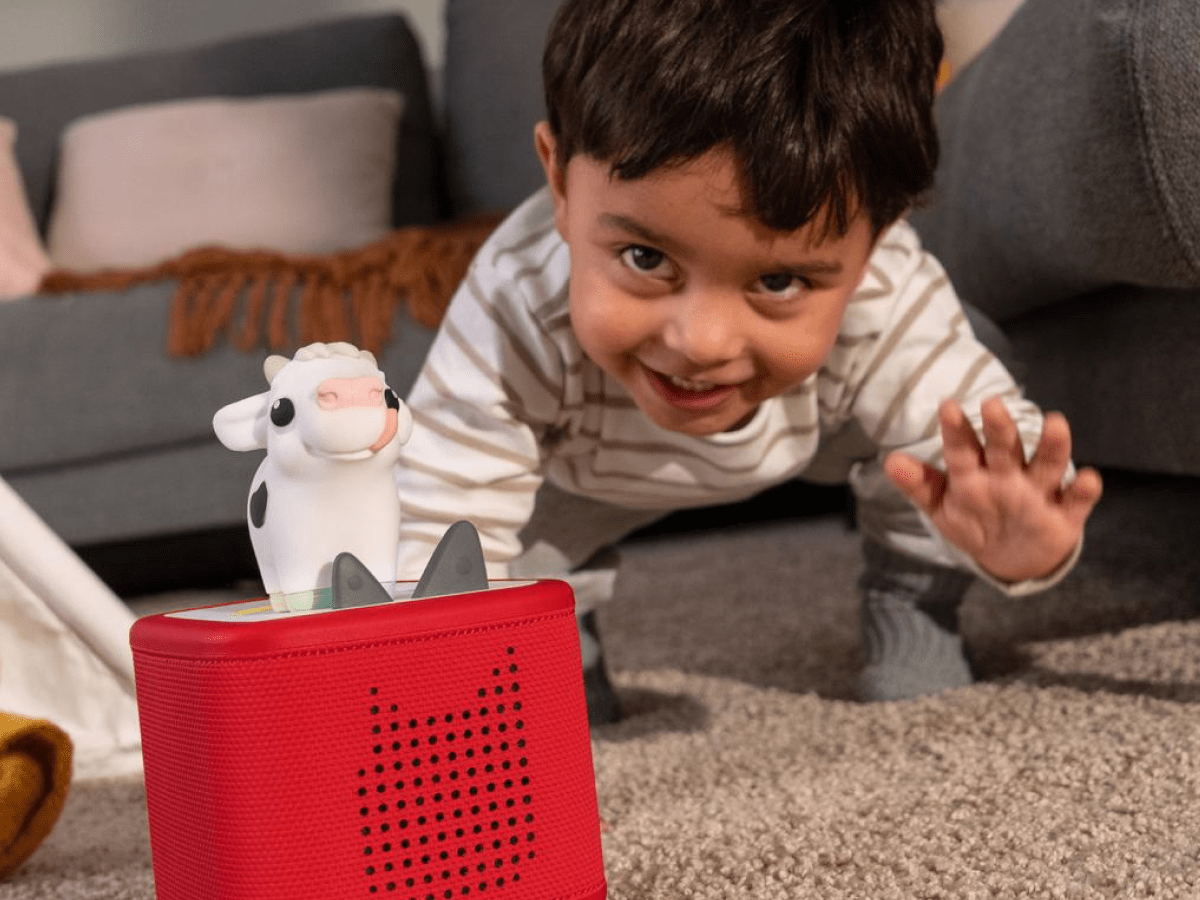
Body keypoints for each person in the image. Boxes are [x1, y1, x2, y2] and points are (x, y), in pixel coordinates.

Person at [393, 0, 1103, 718]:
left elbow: (1000, 454)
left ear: (877, 239)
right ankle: (564, 632)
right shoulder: (515, 302)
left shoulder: (884, 293)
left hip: (817, 427)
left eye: (778, 281)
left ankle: (910, 606)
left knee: (953, 438)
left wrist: (1023, 540)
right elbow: (443, 511)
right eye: (644, 258)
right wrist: (443, 685)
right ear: (560, 182)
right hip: (579, 473)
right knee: (517, 591)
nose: (701, 342)